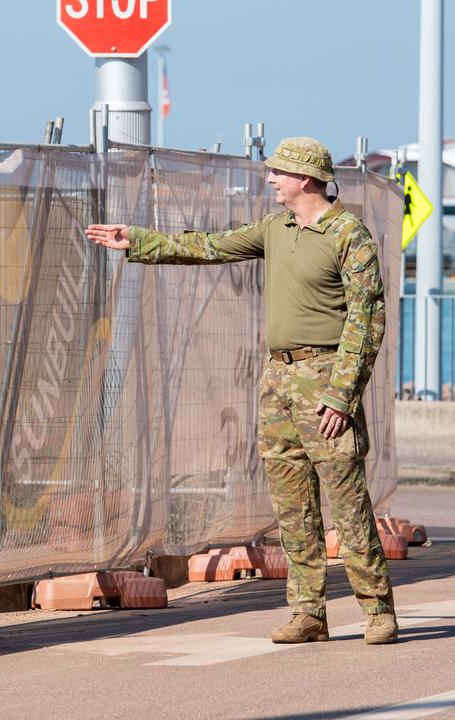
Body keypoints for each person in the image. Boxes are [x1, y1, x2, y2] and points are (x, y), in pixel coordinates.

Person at [85, 137, 397, 645]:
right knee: (293, 505)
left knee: (347, 502)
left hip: (326, 381)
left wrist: (342, 394)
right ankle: (308, 612)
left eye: (278, 172)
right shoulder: (277, 229)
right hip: (278, 380)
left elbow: (367, 320)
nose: (270, 180)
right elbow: (211, 246)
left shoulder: (348, 235)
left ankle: (377, 610)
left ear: (306, 178)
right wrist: (138, 241)